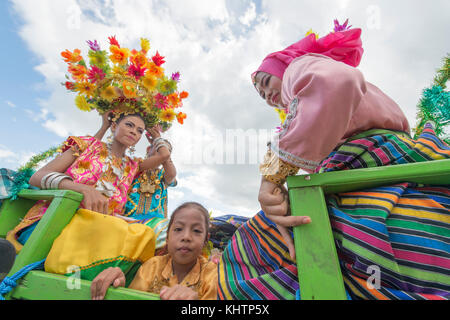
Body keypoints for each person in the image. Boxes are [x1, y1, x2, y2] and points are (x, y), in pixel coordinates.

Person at [218, 20, 450, 300]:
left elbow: (336, 82)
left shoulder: (297, 69)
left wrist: (272, 177)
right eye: (262, 96)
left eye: (266, 82)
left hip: (367, 171)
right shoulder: (316, 110)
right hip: (394, 164)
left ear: (285, 67)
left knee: (248, 250)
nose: (266, 95)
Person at [90, 202, 218, 300]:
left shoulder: (213, 275)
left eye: (196, 231)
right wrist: (117, 288)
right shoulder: (152, 266)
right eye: (178, 229)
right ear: (167, 237)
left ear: (206, 240)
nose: (186, 237)